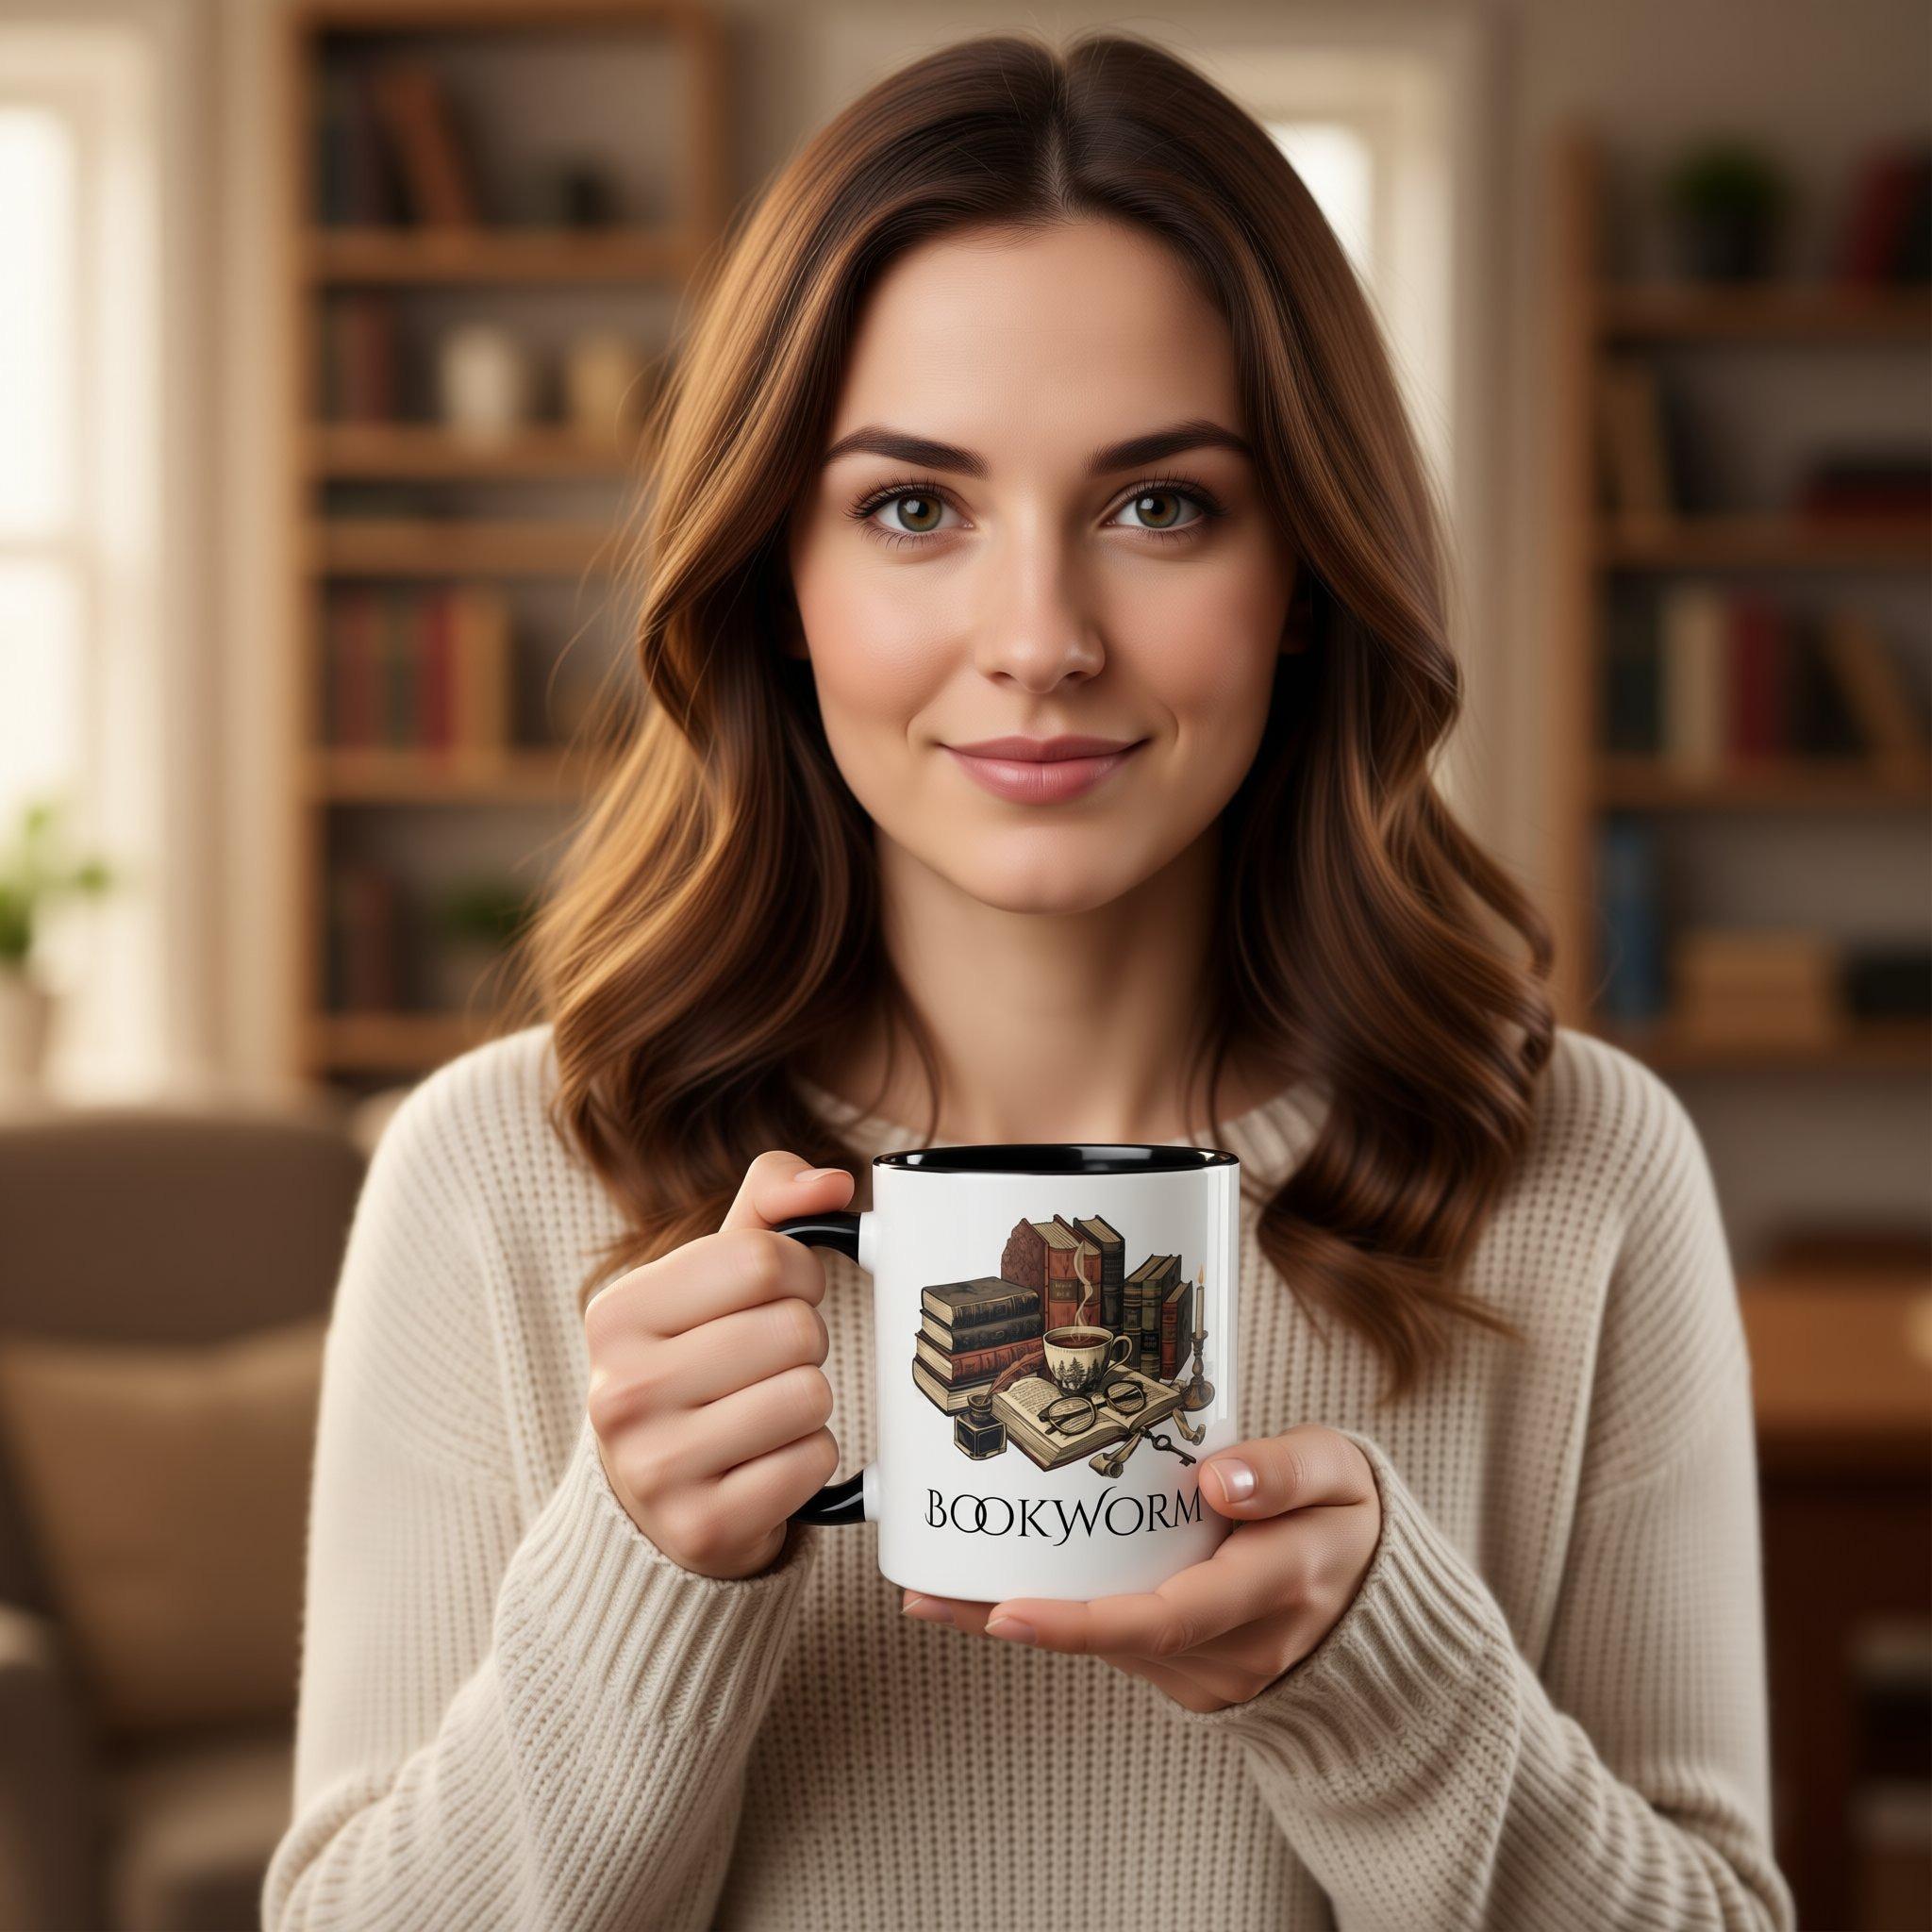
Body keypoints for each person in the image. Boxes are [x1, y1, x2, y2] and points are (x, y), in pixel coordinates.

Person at [263, 29, 1792, 1931]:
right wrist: (644, 1572)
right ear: (775, 574)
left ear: (1305, 568)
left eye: (1161, 506)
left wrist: (1385, 1681)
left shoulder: (1575, 1168)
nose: (1042, 640)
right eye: (915, 507)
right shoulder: (500, 1173)